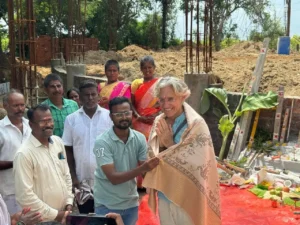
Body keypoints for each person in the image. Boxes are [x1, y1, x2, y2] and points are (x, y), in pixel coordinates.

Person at [142, 77, 221, 225]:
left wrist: (169, 143)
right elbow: (152, 154)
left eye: (171, 99)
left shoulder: (196, 125)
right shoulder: (159, 120)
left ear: (183, 96)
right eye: (162, 99)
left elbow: (199, 164)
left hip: (188, 196)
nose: (166, 105)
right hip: (164, 193)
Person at [93, 97, 160, 225]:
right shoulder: (102, 142)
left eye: (126, 113)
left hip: (131, 204)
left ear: (131, 113)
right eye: (118, 114)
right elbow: (113, 178)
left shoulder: (139, 138)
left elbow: (146, 172)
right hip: (106, 205)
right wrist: (143, 169)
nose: (123, 117)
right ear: (111, 117)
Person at [14, 104, 73, 224]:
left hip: (64, 215)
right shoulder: (24, 154)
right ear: (31, 125)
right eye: (43, 121)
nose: (48, 125)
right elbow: (25, 195)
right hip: (42, 220)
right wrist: (55, 215)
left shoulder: (58, 142)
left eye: (50, 120)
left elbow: (66, 174)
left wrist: (69, 202)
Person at [62, 80, 113, 213]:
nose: (90, 98)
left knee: (106, 217)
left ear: (98, 96)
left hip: (106, 180)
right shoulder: (71, 119)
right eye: (86, 95)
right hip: (81, 181)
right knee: (86, 217)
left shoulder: (109, 117)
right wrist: (73, 177)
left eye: (93, 94)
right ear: (80, 97)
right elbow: (68, 149)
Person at [0, 90, 31, 215]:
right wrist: (16, 163)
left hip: (32, 190)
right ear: (5, 106)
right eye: (16, 105)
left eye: (22, 105)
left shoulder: (31, 126)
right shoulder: (1, 129)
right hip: (8, 191)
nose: (20, 109)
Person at [131, 55, 161, 140]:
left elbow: (163, 102)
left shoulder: (160, 83)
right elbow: (131, 103)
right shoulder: (136, 83)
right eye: (144, 68)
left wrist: (156, 116)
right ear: (141, 69)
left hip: (155, 120)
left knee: (155, 146)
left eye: (150, 67)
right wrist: (138, 117)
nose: (147, 70)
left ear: (154, 67)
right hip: (139, 121)